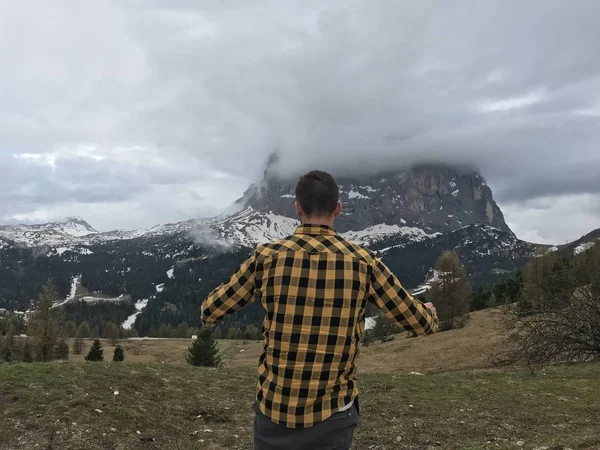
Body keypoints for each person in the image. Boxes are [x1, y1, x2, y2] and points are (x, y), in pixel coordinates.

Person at [201, 170, 438, 450]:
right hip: (333, 415)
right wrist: (429, 311)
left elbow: (210, 311)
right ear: (337, 209)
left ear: (298, 209)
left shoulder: (266, 257)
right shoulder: (364, 262)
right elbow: (420, 323)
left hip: (274, 412)